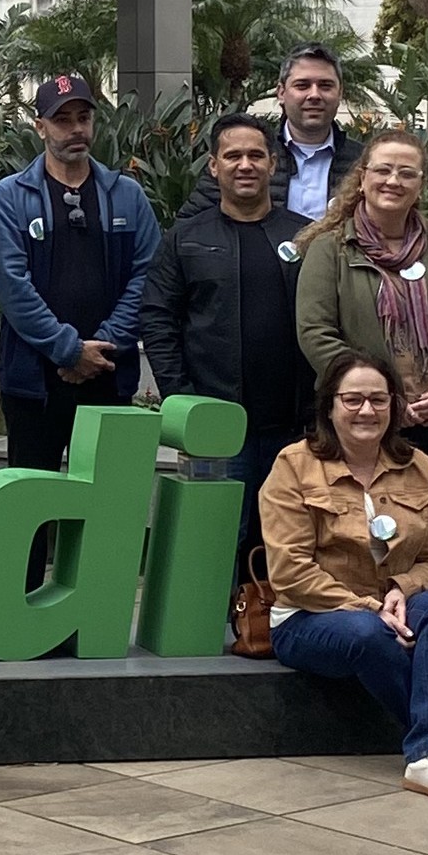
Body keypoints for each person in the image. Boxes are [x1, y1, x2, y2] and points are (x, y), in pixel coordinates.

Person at [260, 352, 428, 805]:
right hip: (308, 618)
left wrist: (399, 592)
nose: (366, 411)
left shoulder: (418, 465)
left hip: (391, 604)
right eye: (352, 400)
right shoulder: (294, 465)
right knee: (367, 632)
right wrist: (372, 608)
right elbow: (290, 570)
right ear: (329, 406)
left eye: (378, 400)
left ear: (395, 406)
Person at [295, 129, 428, 543]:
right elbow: (315, 332)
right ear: (363, 176)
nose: (394, 181)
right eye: (383, 170)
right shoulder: (331, 248)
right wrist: (378, 397)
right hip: (361, 427)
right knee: (364, 546)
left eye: (407, 173)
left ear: (421, 183)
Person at [138, 114, 312, 567]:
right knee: (215, 542)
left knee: (287, 539)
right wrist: (183, 397)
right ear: (214, 167)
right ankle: (213, 633)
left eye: (256, 155)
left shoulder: (307, 237)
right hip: (216, 424)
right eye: (232, 155)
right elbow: (157, 318)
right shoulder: (185, 239)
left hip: (292, 425)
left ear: (273, 164)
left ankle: (275, 634)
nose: (245, 165)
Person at [0, 72, 160, 478]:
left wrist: (104, 347)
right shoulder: (12, 195)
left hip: (108, 375)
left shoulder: (127, 194)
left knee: (105, 510)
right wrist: (68, 351)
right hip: (34, 384)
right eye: (63, 120)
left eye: (83, 117)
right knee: (31, 511)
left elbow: (147, 275)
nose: (76, 129)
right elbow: (13, 287)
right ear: (41, 126)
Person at [186, 45, 367, 219]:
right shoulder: (247, 157)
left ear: (340, 93)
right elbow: (191, 226)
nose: (314, 95)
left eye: (325, 86)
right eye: (302, 85)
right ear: (281, 92)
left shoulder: (364, 162)